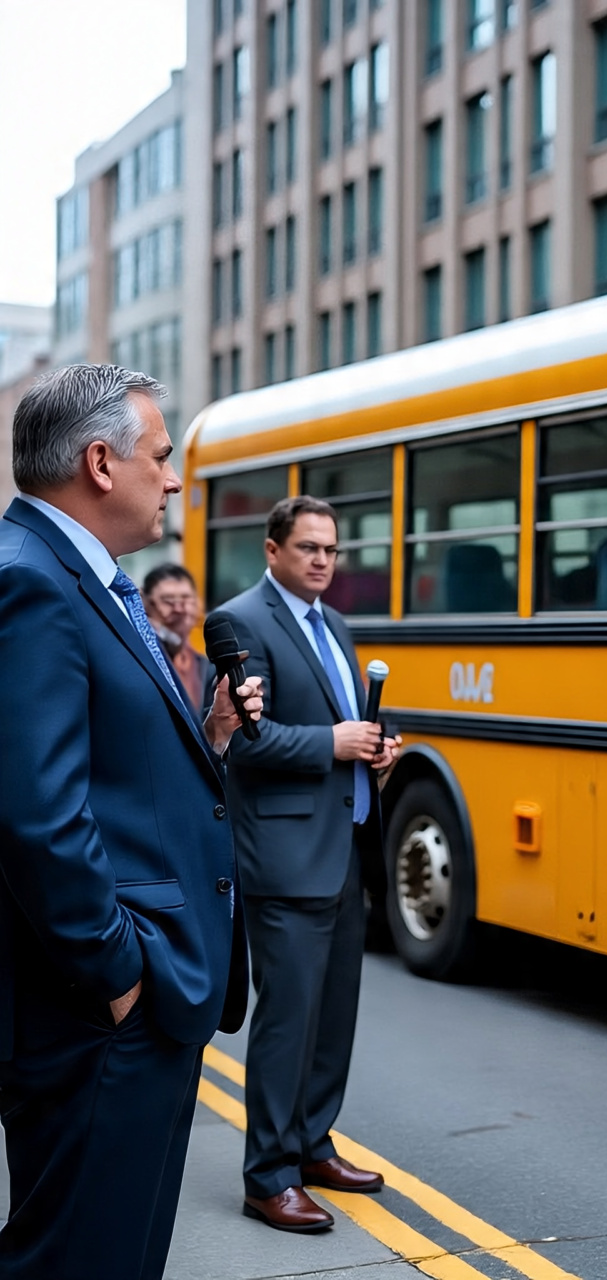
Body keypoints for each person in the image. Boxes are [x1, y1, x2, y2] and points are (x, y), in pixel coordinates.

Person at [0, 363, 262, 1279]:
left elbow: (105, 767)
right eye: (162, 455)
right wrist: (118, 972)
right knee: (85, 1255)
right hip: (102, 1011)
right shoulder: (33, 582)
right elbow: (36, 811)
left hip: (126, 1002)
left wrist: (209, 739)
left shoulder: (82, 573)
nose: (176, 477)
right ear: (101, 463)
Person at [208, 495, 400, 1232]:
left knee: (332, 1017)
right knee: (287, 1020)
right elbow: (247, 741)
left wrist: (376, 748)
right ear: (272, 549)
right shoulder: (243, 623)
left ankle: (313, 1144)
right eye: (308, 548)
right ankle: (268, 1176)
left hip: (344, 844)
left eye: (331, 549)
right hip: (286, 857)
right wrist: (334, 745)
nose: (323, 560)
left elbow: (346, 719)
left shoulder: (335, 624)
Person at [143, 562, 212, 712]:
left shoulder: (205, 667)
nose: (179, 609)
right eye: (168, 600)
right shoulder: (141, 661)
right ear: (145, 603)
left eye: (186, 599)